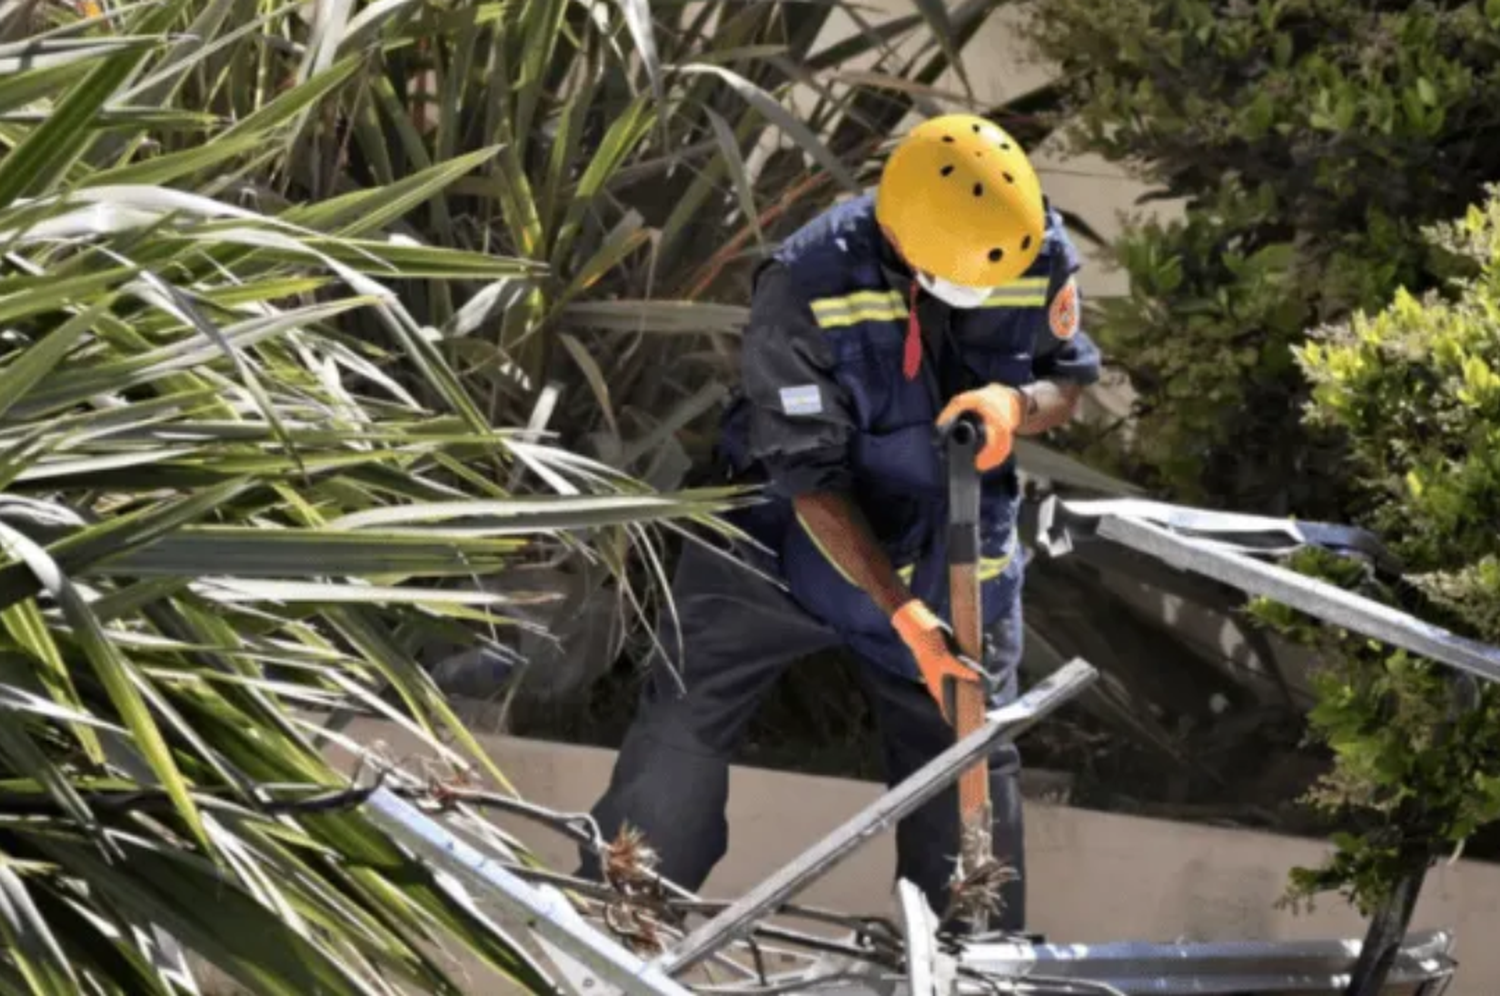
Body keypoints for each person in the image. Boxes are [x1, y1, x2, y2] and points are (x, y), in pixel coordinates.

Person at [576, 113, 1102, 931]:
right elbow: (809, 479)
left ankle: (964, 970)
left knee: (965, 769)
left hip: (955, 539)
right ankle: (617, 938)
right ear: (904, 243)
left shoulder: (1029, 244)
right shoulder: (808, 283)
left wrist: (1016, 403)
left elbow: (1066, 379)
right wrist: (903, 617)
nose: (988, 292)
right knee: (678, 738)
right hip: (779, 534)